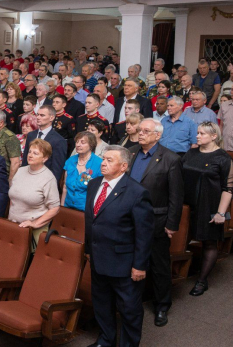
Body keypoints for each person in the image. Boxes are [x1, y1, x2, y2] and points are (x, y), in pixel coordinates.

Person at [85, 146, 154, 347]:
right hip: (98, 258)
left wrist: (139, 265)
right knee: (102, 303)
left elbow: (144, 234)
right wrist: (89, 250)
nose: (103, 163)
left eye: (109, 160)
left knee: (129, 309)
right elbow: (91, 222)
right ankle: (106, 340)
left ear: (123, 166)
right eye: (103, 159)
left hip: (124, 264)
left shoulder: (137, 192)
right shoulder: (94, 184)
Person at [129, 118, 184, 327]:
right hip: (129, 218)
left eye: (146, 131)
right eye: (139, 130)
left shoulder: (170, 159)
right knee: (131, 260)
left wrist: (172, 224)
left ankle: (162, 305)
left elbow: (176, 195)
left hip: (156, 220)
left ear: (157, 135)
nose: (140, 133)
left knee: (159, 265)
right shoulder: (130, 152)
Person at [182, 122, 233, 296]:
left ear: (214, 136)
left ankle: (202, 281)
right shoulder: (191, 153)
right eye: (197, 133)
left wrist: (221, 213)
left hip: (209, 205)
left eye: (202, 133)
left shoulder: (223, 158)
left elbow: (228, 189)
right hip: (187, 205)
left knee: (209, 242)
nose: (197, 136)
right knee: (182, 238)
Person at [8, 138, 60, 247]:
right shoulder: (20, 170)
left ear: (45, 158)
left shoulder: (48, 178)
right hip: (13, 225)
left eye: (35, 153)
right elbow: (14, 196)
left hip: (32, 232)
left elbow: (55, 208)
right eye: (30, 152)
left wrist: (35, 224)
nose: (30, 155)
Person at [22, 105, 67, 183]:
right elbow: (25, 159)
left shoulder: (59, 140)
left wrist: (49, 185)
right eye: (37, 114)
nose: (38, 117)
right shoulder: (31, 135)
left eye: (42, 115)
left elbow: (57, 169)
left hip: (44, 181)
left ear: (51, 118)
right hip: (27, 178)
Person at [61, 131, 103, 212]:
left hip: (87, 210)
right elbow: (65, 187)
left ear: (91, 145)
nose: (78, 145)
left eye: (82, 142)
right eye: (77, 142)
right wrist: (62, 208)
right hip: (68, 206)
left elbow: (99, 191)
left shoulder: (99, 164)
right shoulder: (70, 161)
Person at [0, 109, 22, 182]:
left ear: (1, 123)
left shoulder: (10, 137)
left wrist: (10, 181)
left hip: (1, 177)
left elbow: (15, 162)